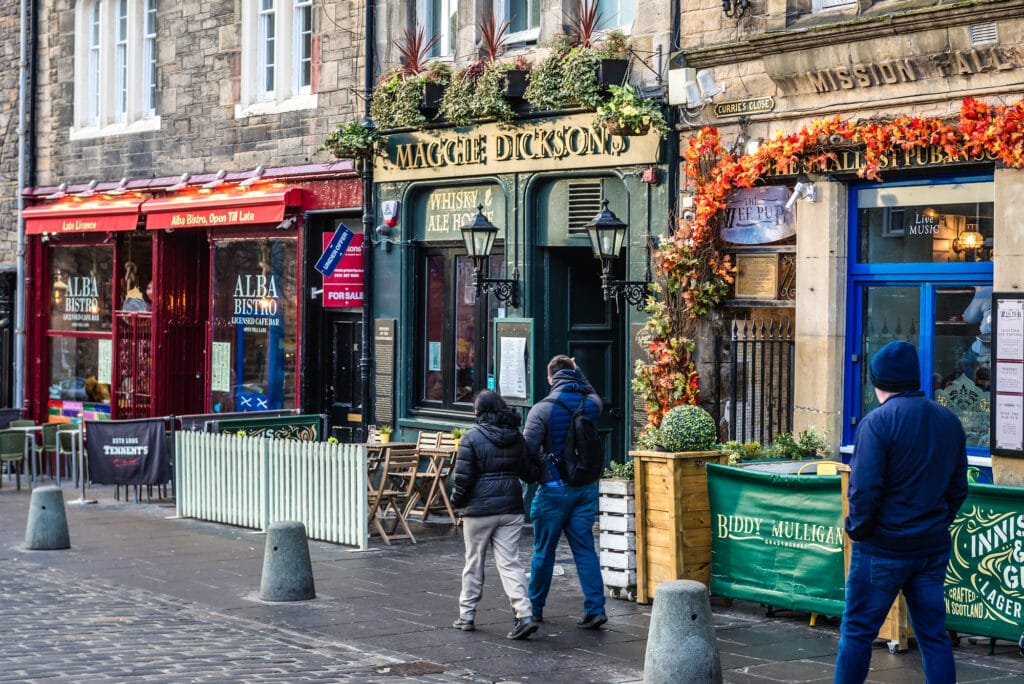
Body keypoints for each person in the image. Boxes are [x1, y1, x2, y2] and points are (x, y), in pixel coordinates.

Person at [835, 340, 967, 683]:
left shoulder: (876, 423)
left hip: (882, 548)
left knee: (858, 632)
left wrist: (858, 529)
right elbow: (958, 488)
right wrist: (936, 523)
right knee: (933, 636)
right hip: (930, 547)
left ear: (875, 380)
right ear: (914, 378)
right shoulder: (948, 420)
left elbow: (863, 490)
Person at [523, 354, 606, 629]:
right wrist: (578, 371)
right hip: (585, 488)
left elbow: (527, 450)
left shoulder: (542, 409)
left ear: (549, 378)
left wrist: (534, 474)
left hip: (554, 489)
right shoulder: (591, 403)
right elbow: (592, 391)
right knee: (584, 549)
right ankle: (595, 608)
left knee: (543, 551)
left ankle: (534, 609)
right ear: (573, 373)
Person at [450, 390, 539, 641]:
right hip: (510, 508)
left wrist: (457, 502)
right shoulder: (516, 437)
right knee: (510, 563)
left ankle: (466, 615)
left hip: (479, 511)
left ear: (479, 412)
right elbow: (529, 473)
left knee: (474, 562)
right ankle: (525, 614)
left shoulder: (471, 438)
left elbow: (463, 479)